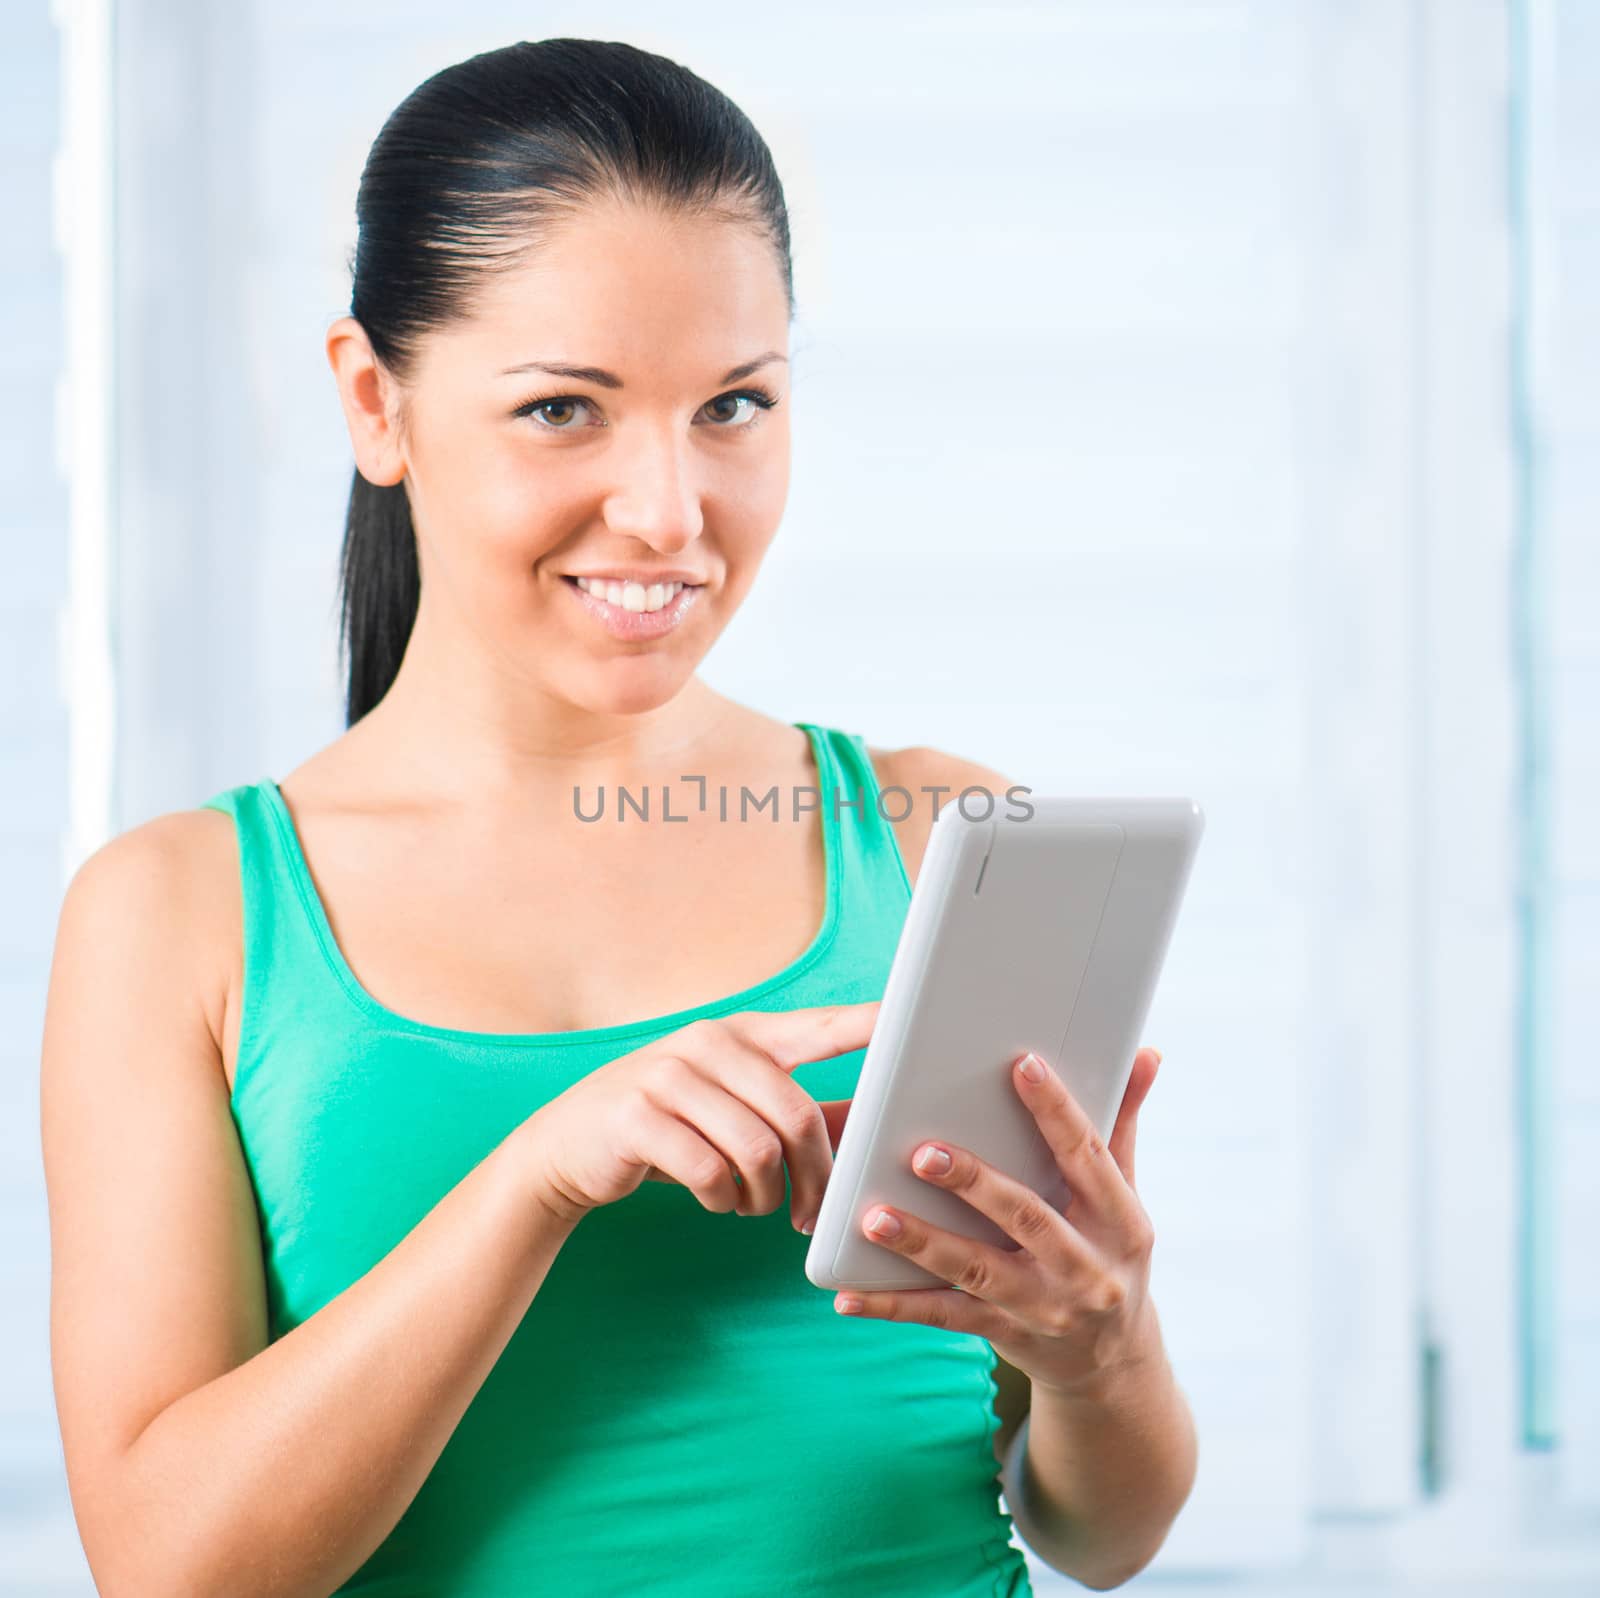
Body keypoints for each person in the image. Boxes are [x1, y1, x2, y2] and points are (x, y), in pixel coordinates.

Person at [40, 37, 1194, 1597]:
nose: (668, 509)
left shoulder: (942, 841)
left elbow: (1098, 1531)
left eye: (733, 404)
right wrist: (537, 1177)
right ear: (377, 401)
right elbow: (174, 1572)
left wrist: (1103, 1349)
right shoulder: (182, 912)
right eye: (564, 410)